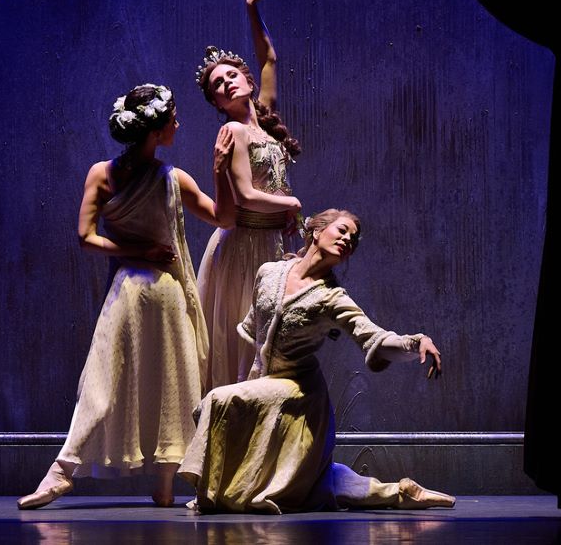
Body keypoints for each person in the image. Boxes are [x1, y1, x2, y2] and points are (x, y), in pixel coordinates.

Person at [18, 84, 234, 509]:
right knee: (100, 381)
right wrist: (140, 251)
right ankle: (61, 471)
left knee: (175, 385)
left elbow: (224, 217)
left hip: (168, 295)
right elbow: (86, 238)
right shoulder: (104, 174)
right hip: (132, 291)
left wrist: (219, 170)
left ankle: (166, 486)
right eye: (172, 117)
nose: (178, 123)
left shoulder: (173, 179)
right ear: (154, 130)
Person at [179, 209, 455, 513]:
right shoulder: (269, 273)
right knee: (314, 485)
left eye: (353, 238)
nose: (348, 239)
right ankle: (397, 493)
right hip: (268, 387)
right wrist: (250, 387)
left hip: (301, 396)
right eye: (342, 230)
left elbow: (374, 337)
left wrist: (415, 342)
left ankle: (215, 495)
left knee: (219, 399)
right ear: (316, 232)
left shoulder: (332, 297)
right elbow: (256, 337)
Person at [196, 0, 303, 389]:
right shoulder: (233, 131)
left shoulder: (265, 120)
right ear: (218, 104)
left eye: (231, 75)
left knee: (277, 341)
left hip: (274, 243)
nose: (227, 83)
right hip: (246, 248)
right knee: (250, 344)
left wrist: (251, 9)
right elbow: (243, 196)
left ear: (245, 79)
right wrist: (292, 203)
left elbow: (269, 58)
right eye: (218, 86)